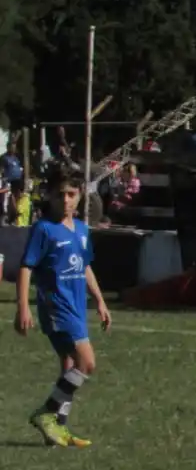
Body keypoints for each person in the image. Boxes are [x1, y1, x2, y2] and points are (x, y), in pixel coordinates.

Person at [13, 175, 111, 447]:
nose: (66, 200)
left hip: (76, 306)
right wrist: (23, 307)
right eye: (60, 194)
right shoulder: (44, 229)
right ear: (51, 197)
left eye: (71, 194)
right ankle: (46, 414)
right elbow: (26, 267)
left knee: (69, 365)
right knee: (87, 363)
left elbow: (84, 266)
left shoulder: (81, 229)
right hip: (57, 306)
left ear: (80, 195)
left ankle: (58, 429)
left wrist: (100, 300)